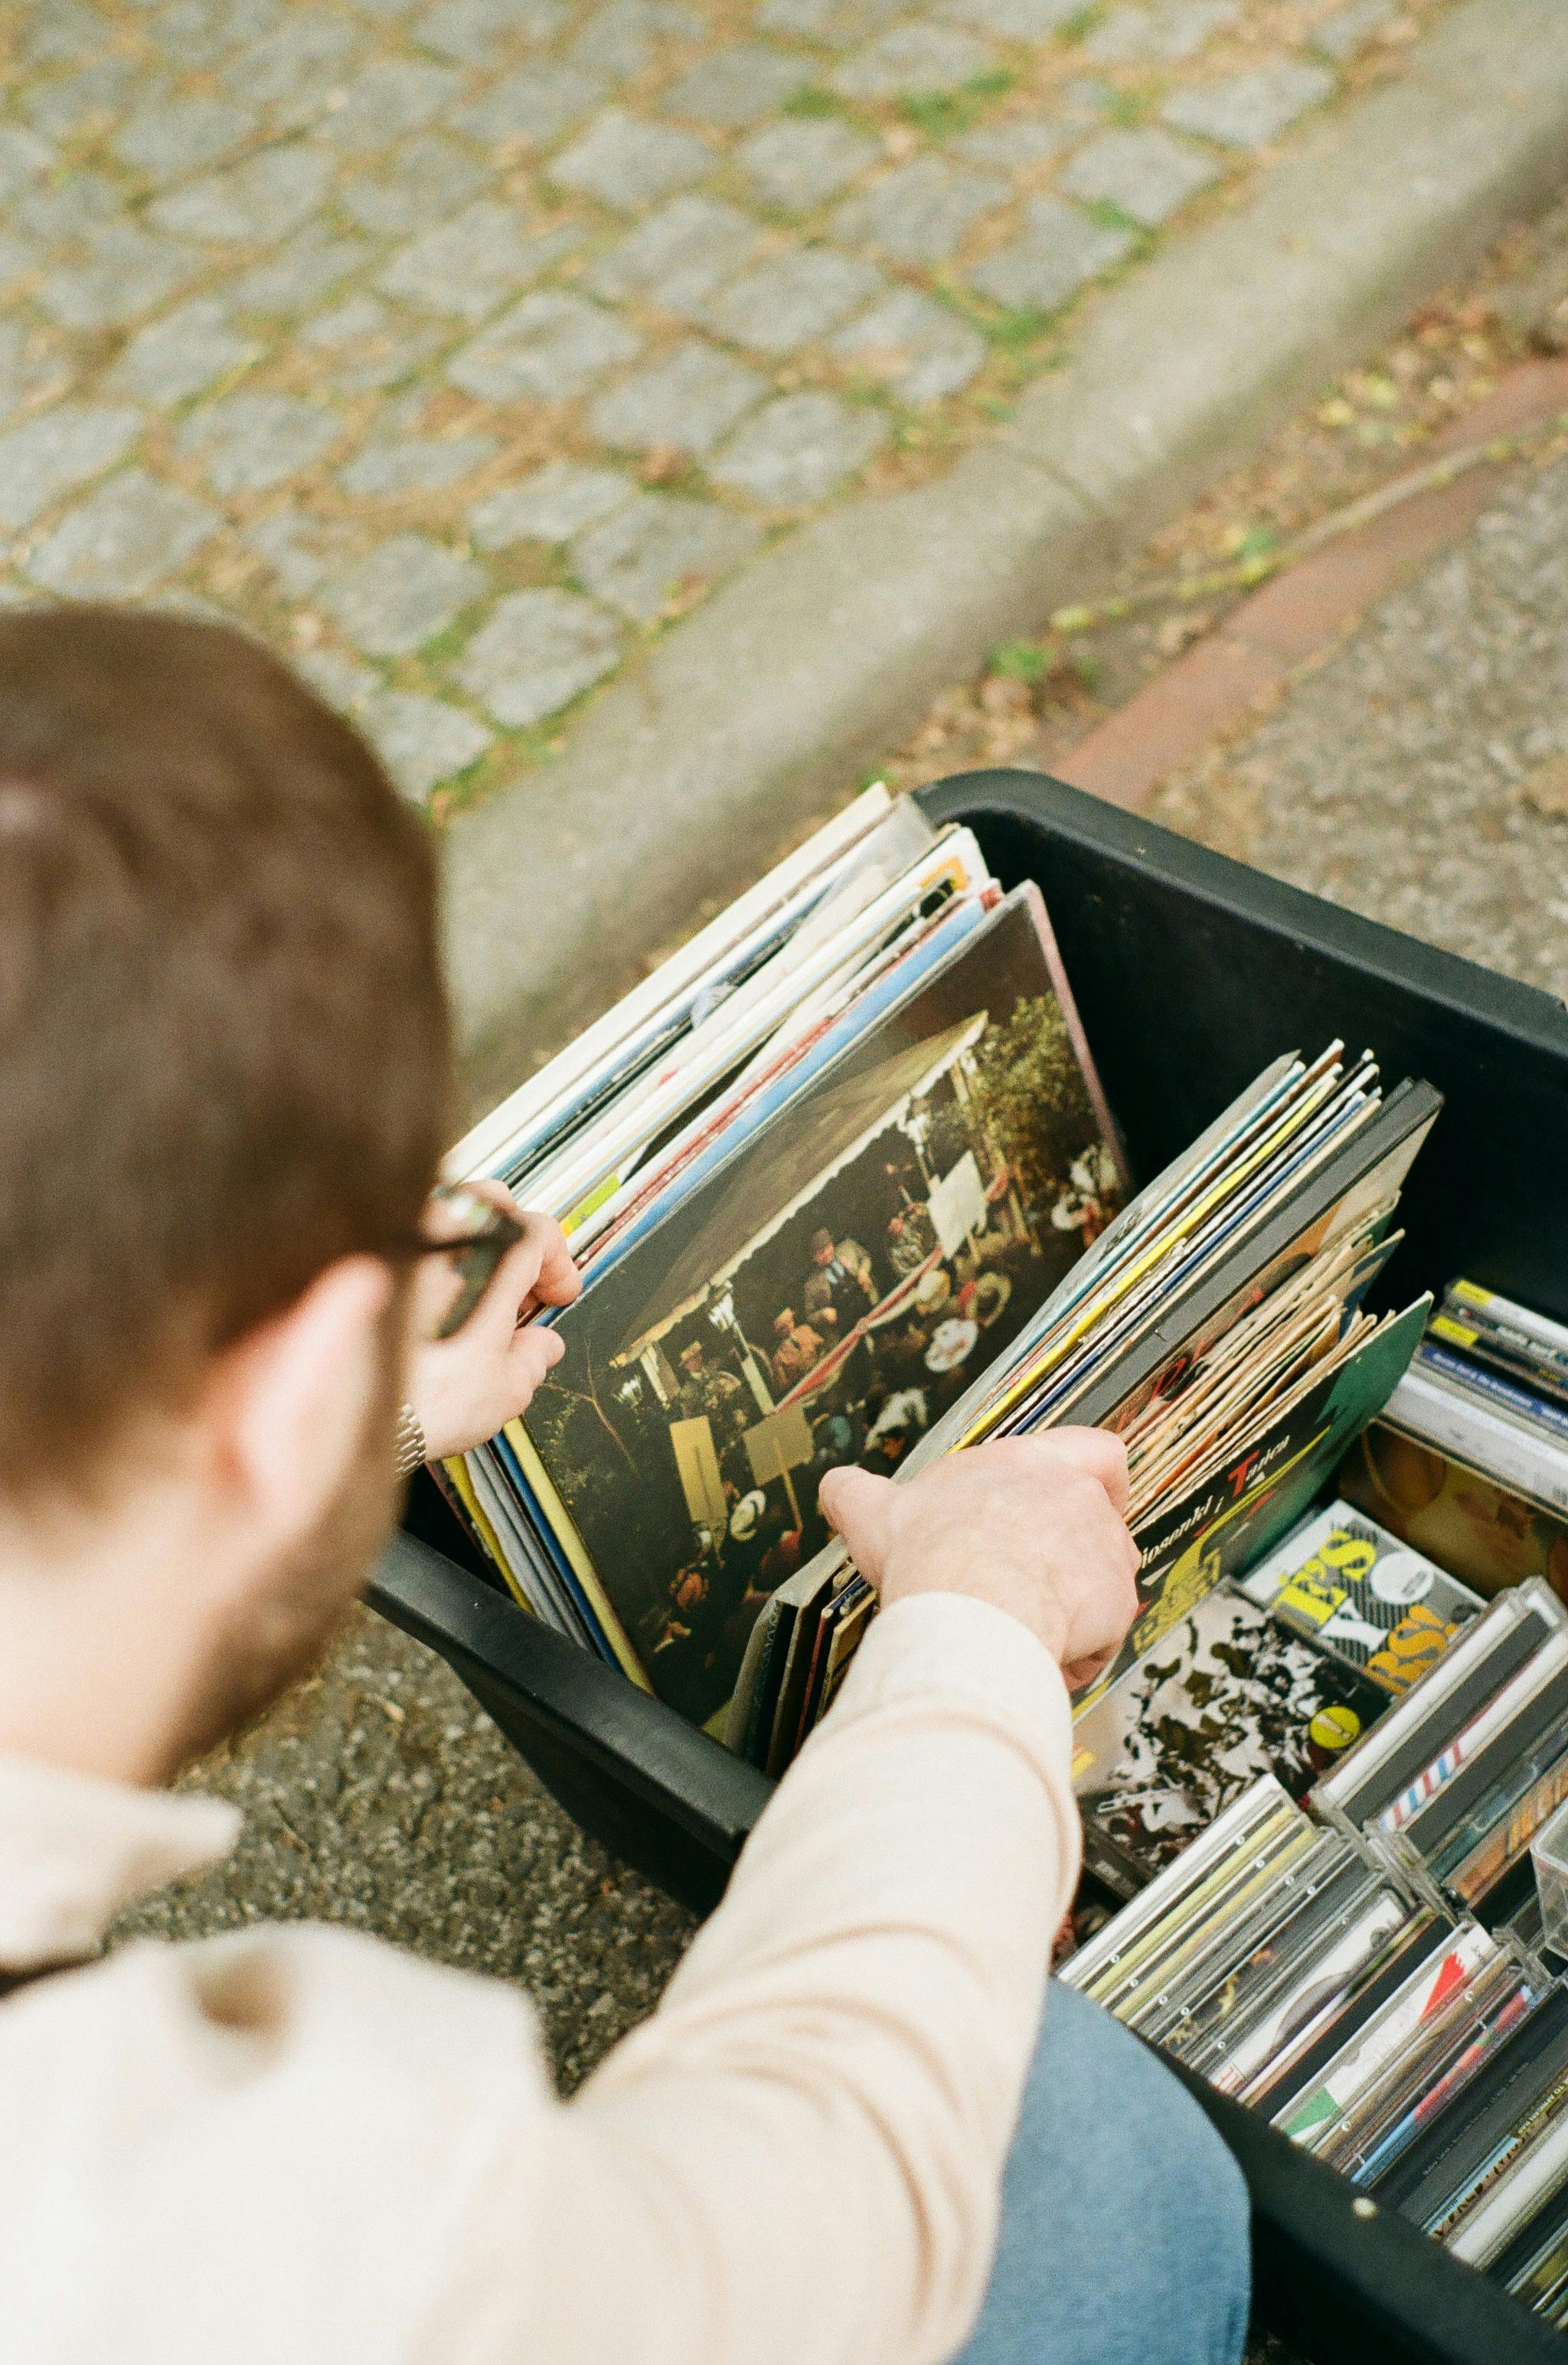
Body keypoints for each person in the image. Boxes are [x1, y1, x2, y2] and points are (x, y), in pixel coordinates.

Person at [0, 606, 1249, 2365]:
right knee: (1101, 2164)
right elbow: (825, 2202)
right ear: (278, 1390)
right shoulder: (242, 2211)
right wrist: (974, 1617)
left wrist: (349, 1423)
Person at [769, 1304, 825, 1396]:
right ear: (778, 1332)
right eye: (783, 1328)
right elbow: (784, 1389)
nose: (789, 1328)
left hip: (823, 1375)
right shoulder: (778, 1359)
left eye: (790, 1322)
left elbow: (822, 1346)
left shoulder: (805, 1330)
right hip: (806, 1393)